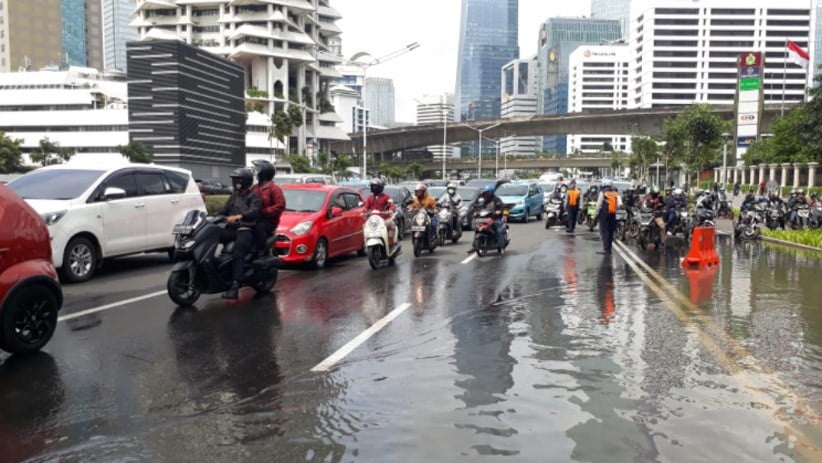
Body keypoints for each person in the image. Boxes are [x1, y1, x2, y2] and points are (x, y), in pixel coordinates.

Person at [218, 168, 262, 299]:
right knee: (212, 236)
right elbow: (224, 210)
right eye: (235, 179)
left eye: (238, 179)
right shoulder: (234, 195)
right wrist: (210, 217)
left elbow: (254, 212)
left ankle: (235, 286)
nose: (235, 181)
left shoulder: (254, 196)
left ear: (246, 181)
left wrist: (239, 216)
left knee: (238, 253)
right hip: (232, 229)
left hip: (246, 229)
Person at [250, 160, 286, 258]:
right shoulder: (254, 187)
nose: (256, 172)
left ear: (264, 173)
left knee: (259, 226)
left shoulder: (274, 189)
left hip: (268, 222)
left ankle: (261, 251)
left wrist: (264, 212)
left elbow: (280, 205)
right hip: (254, 218)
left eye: (258, 170)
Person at [467, 184, 507, 254]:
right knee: (477, 229)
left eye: (487, 193)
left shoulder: (496, 199)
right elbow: (477, 206)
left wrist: (499, 211)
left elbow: (502, 206)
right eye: (485, 193)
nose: (485, 194)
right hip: (485, 218)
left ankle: (501, 246)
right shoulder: (482, 200)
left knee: (498, 230)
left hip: (494, 218)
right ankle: (475, 246)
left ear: (491, 192)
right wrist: (475, 212)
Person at [363, 178, 398, 247]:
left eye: (375, 186)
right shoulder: (370, 198)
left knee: (391, 225)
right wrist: (364, 212)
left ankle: (391, 242)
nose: (373, 188)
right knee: (364, 226)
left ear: (380, 188)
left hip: (384, 219)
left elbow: (392, 205)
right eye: (372, 186)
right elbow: (366, 207)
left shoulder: (386, 197)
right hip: (373, 220)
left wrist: (390, 210)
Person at [595, 179, 622, 254]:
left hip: (604, 214)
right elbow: (620, 204)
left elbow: (599, 204)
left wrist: (596, 214)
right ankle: (609, 248)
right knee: (610, 231)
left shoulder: (603, 192)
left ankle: (606, 249)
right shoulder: (615, 193)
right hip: (612, 214)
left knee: (604, 231)